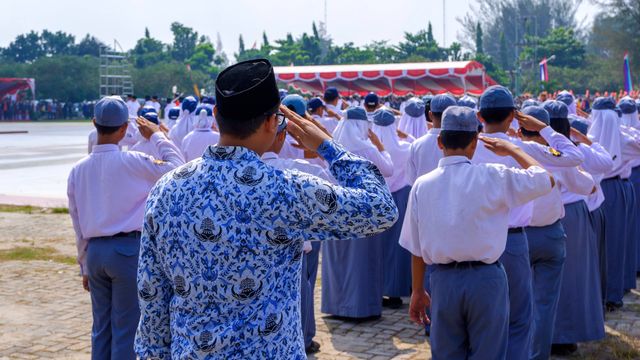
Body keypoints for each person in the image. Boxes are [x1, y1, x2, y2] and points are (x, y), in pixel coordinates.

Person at [134, 58, 398, 358]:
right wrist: (327, 145)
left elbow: (152, 297)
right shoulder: (285, 190)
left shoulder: (167, 190)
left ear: (217, 114)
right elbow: (380, 208)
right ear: (273, 122)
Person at [400, 106, 554, 360]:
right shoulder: (493, 175)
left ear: (440, 141)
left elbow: (416, 247)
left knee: (446, 354)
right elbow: (545, 179)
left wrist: (417, 290)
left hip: (443, 280)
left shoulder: (422, 185)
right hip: (486, 279)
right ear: (475, 142)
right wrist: (514, 149)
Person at [68, 96, 184, 360]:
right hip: (127, 251)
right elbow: (178, 168)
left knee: (101, 328)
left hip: (95, 252)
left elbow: (77, 222)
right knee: (127, 329)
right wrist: (157, 136)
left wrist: (84, 264)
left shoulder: (78, 169)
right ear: (124, 129)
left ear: (94, 123)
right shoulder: (133, 161)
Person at [473, 86, 584, 360]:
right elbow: (574, 157)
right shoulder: (525, 148)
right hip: (513, 239)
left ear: (479, 115)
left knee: (485, 317)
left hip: (479, 240)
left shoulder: (469, 146)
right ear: (513, 116)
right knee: (522, 319)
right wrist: (544, 129)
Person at [260, 115, 334, 355]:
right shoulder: (300, 172)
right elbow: (360, 188)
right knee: (293, 325)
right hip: (291, 260)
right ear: (280, 135)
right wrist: (325, 144)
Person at [322, 106, 394, 320]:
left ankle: (336, 305)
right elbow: (388, 169)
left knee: (338, 260)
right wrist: (381, 147)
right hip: (363, 211)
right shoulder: (368, 149)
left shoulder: (333, 147)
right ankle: (360, 307)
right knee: (362, 261)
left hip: (335, 209)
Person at [588, 97, 640, 311]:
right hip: (613, 188)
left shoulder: (591, 137)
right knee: (615, 243)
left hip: (607, 188)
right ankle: (612, 291)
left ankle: (610, 292)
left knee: (609, 243)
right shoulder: (622, 139)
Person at [371, 109, 414, 308]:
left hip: (377, 199)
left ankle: (375, 289)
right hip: (400, 198)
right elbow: (416, 143)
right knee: (397, 248)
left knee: (376, 248)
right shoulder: (404, 147)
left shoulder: (370, 149)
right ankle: (396, 291)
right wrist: (404, 134)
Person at [406, 94, 457, 184]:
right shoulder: (463, 143)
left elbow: (411, 181)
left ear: (430, 115)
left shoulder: (416, 145)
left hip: (425, 196)